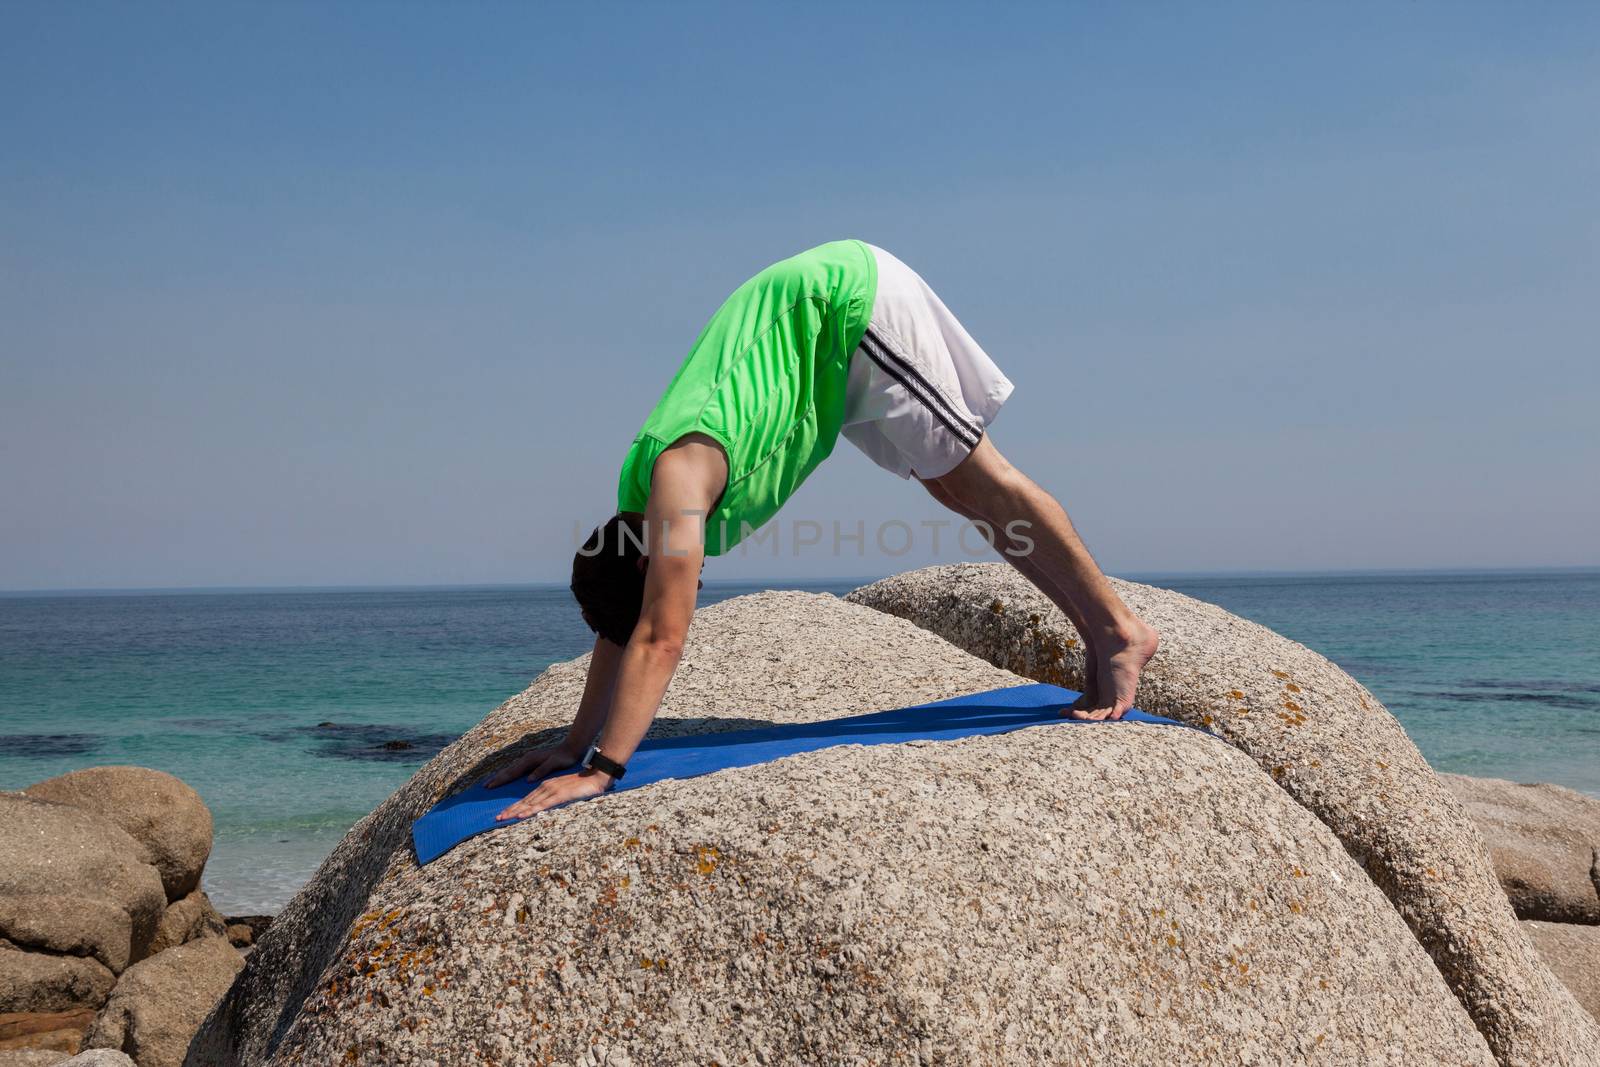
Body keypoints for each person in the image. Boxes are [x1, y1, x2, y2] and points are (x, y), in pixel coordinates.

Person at [492, 240, 1159, 820]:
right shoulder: (635, 513)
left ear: (643, 565)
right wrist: (573, 742)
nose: (688, 583)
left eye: (669, 581)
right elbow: (628, 626)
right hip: (824, 355)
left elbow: (659, 635)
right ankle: (1099, 636)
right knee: (953, 485)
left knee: (981, 477)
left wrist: (601, 770)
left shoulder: (676, 488)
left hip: (846, 308)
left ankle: (1118, 628)